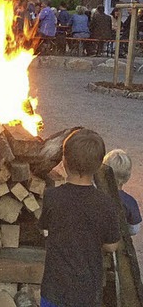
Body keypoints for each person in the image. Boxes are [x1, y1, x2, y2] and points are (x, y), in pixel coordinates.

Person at [38, 128, 120, 307]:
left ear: (64, 161)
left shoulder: (52, 197)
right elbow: (112, 245)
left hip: (54, 288)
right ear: (99, 166)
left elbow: (45, 227)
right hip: (87, 291)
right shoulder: (105, 202)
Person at [103, 149, 142, 236]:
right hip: (118, 243)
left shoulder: (97, 194)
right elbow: (134, 229)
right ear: (127, 176)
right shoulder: (129, 201)